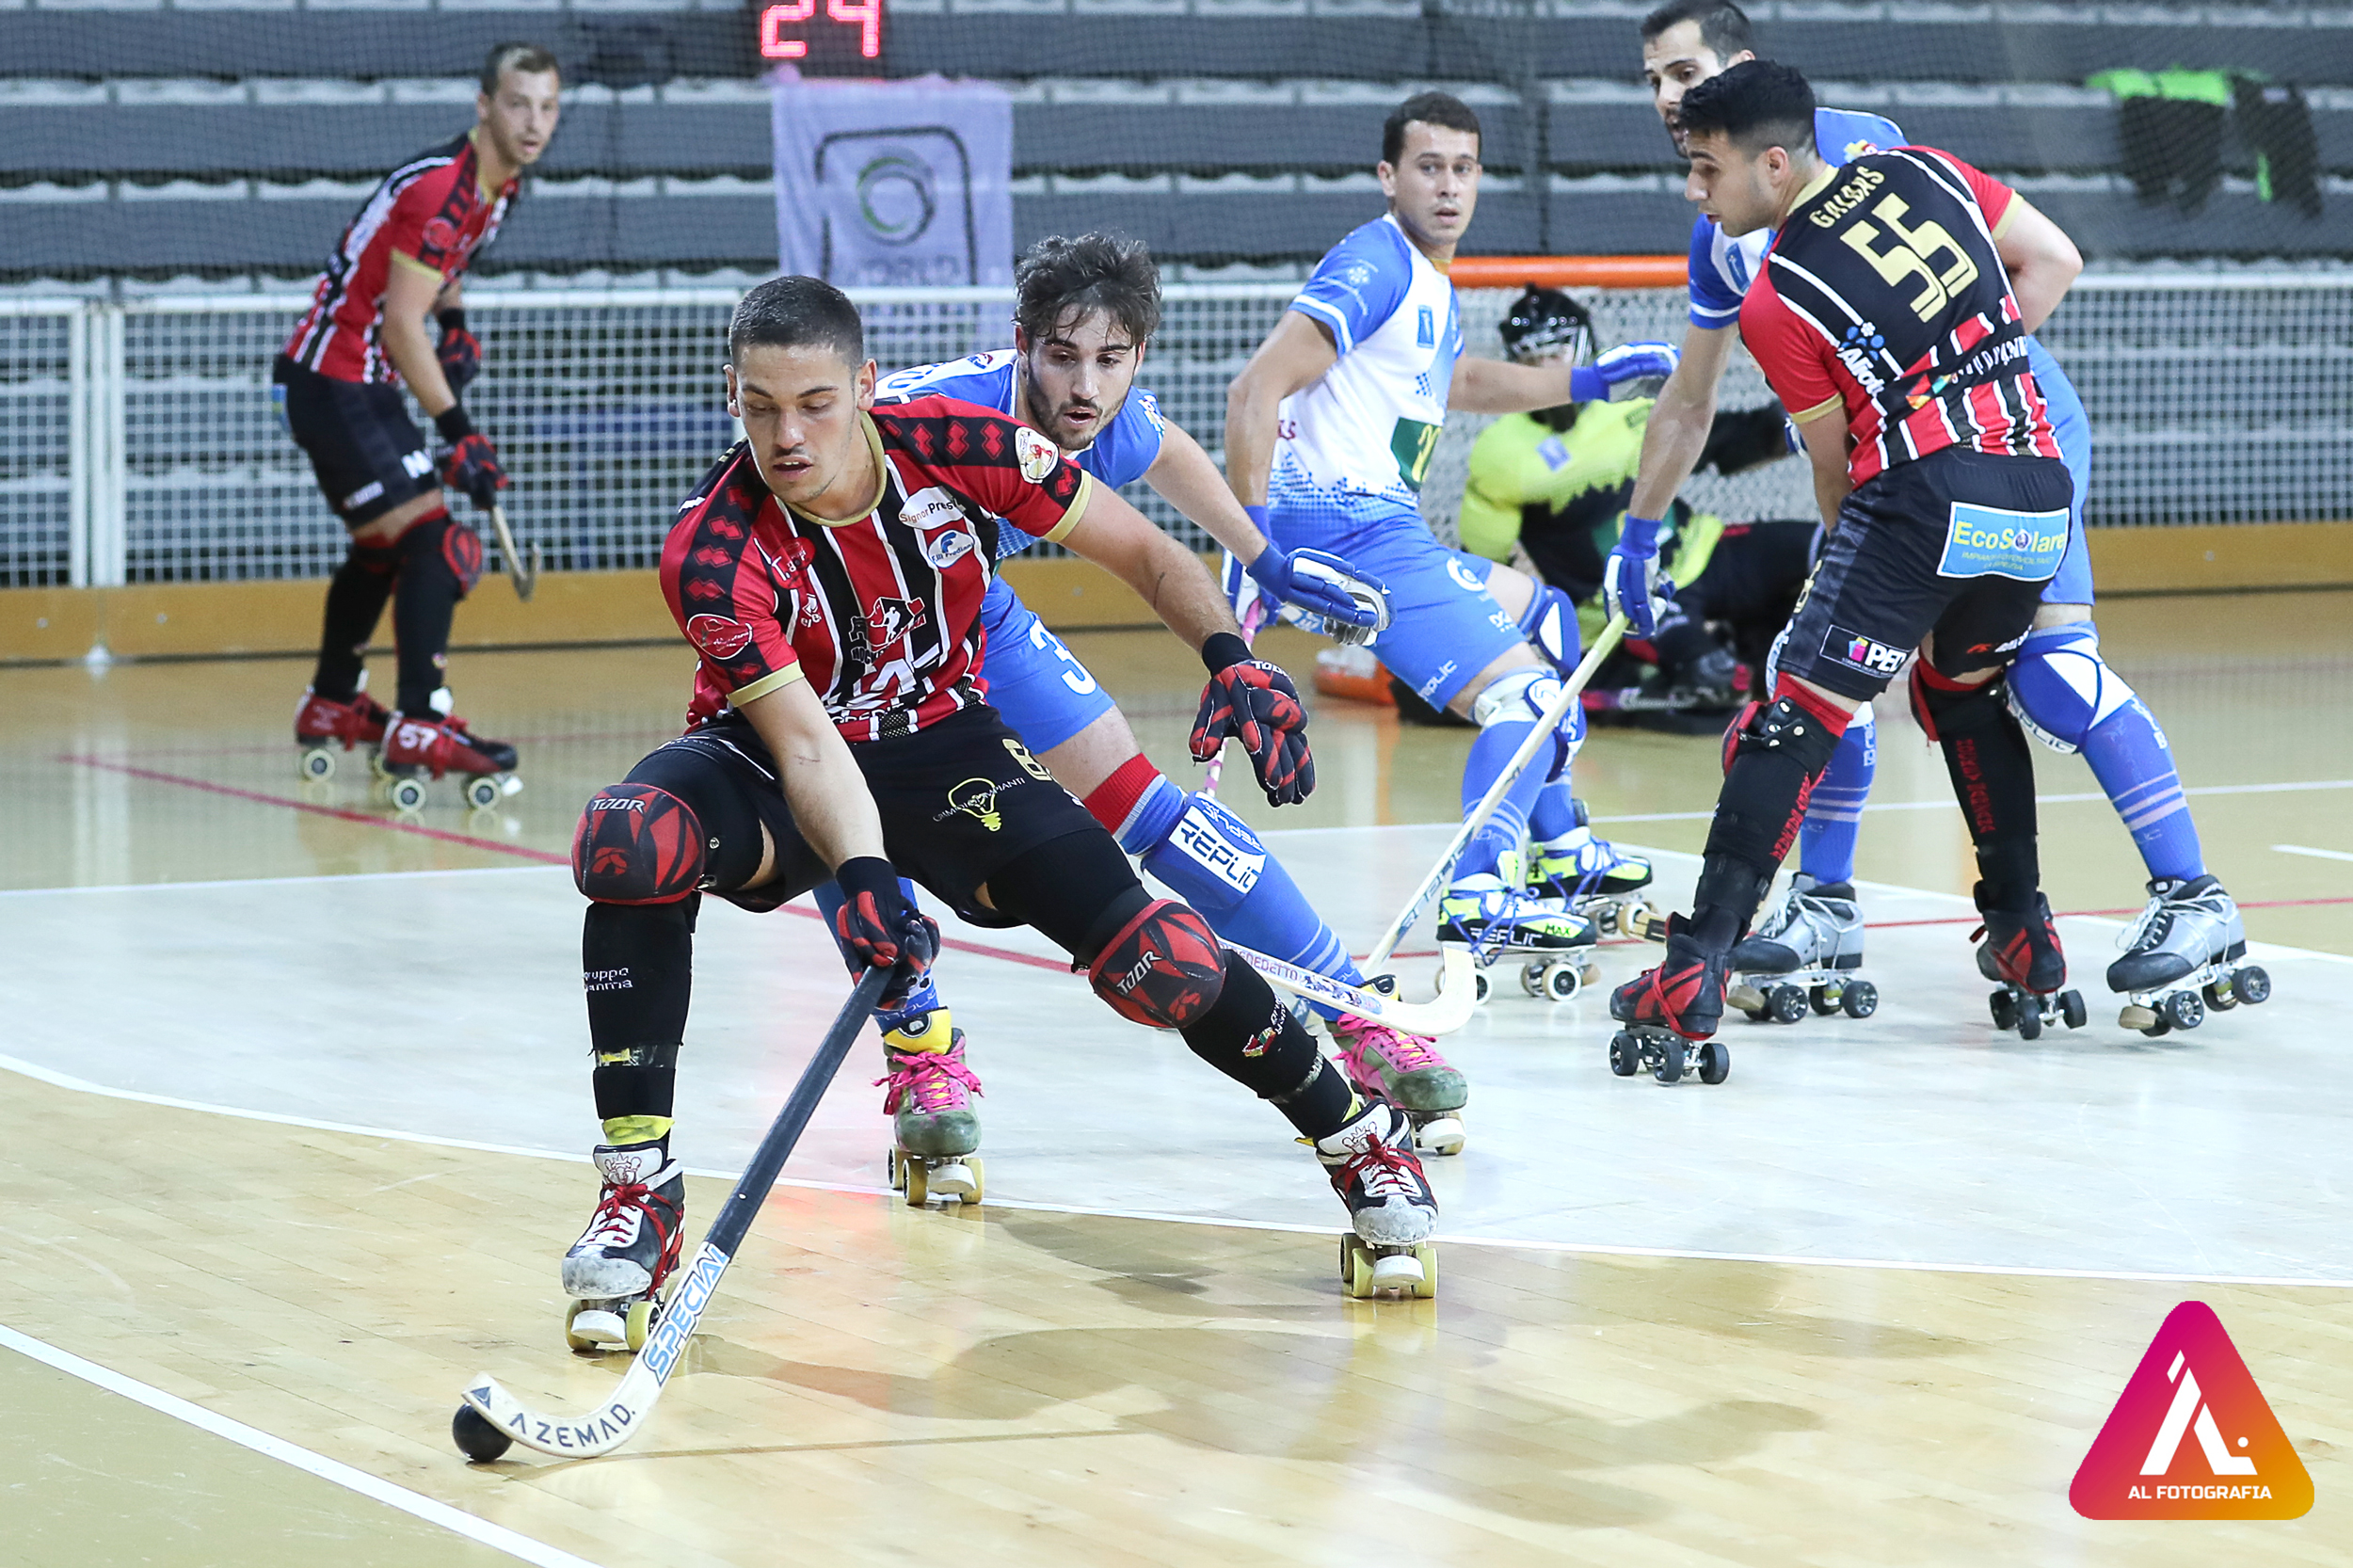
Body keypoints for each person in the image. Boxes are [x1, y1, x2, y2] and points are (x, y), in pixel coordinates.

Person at [557, 277, 1438, 1344]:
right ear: (732, 395)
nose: (787, 437)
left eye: (816, 405)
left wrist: (1230, 657)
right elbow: (808, 745)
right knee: (631, 837)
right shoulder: (711, 549)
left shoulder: (960, 446)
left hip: (946, 745)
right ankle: (638, 1186)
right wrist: (865, 878)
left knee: (1161, 955)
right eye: (761, 407)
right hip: (778, 759)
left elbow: (1146, 552)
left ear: (865, 386)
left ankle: (1358, 1139)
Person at [1629, 0, 2245, 1006]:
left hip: (1999, 426)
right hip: (1931, 455)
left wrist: (1951, 383)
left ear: (1744, 73)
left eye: (1687, 73)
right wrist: (1641, 531)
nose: (1667, 95)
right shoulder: (1720, 231)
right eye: (1652, 77)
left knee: (2033, 671)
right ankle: (1834, 904)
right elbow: (1690, 404)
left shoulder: (1859, 146)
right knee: (1872, 674)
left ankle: (2193, 893)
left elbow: (2025, 275)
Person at [827, 234, 1474, 1168]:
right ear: (1021, 345)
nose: (1085, 387)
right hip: (844, 629)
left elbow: (1168, 453)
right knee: (839, 818)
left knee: (1143, 803)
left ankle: (1353, 1007)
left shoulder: (1104, 414)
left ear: (1138, 357)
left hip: (974, 610)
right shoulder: (945, 415)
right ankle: (919, 1046)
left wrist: (1261, 559)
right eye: (1062, 356)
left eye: (1111, 360)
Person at [1608, 62, 2081, 1048]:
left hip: (1924, 496)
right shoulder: (1929, 168)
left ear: (1774, 165)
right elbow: (2054, 259)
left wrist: (1871, 526)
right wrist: (1960, 366)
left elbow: (1837, 470)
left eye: (1707, 170)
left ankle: (1695, 967)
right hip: (2037, 494)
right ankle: (2024, 933)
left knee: (1796, 714)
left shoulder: (1776, 296)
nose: (1694, 192)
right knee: (1963, 697)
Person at [1224, 91, 1676, 957]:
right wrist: (1252, 541)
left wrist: (1591, 381)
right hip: (1351, 533)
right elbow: (1255, 389)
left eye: (1463, 169)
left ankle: (1560, 847)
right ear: (1388, 176)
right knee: (1528, 695)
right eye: (1428, 167)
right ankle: (1479, 889)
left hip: (1385, 532)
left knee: (1547, 615)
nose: (1448, 186)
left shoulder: (1427, 279)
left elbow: (1459, 381)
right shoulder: (1377, 262)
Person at [276, 43, 559, 796]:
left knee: (383, 548)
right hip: (337, 379)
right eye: (518, 104)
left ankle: (334, 700)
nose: (534, 123)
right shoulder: (445, 189)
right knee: (439, 543)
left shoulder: (498, 185)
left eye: (547, 107)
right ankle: (420, 722)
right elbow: (402, 328)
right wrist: (460, 433)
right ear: (484, 106)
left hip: (346, 381)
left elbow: (440, 272)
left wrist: (455, 321)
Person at [1458, 284, 1804, 723]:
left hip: (1701, 549)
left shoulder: (1633, 398)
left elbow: (1725, 442)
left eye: (1557, 352)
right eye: (1531, 358)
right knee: (1713, 679)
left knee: (1826, 552)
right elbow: (1482, 569)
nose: (1546, 368)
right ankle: (1646, 673)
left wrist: (1805, 415)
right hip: (1630, 599)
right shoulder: (1499, 454)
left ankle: (1763, 647)